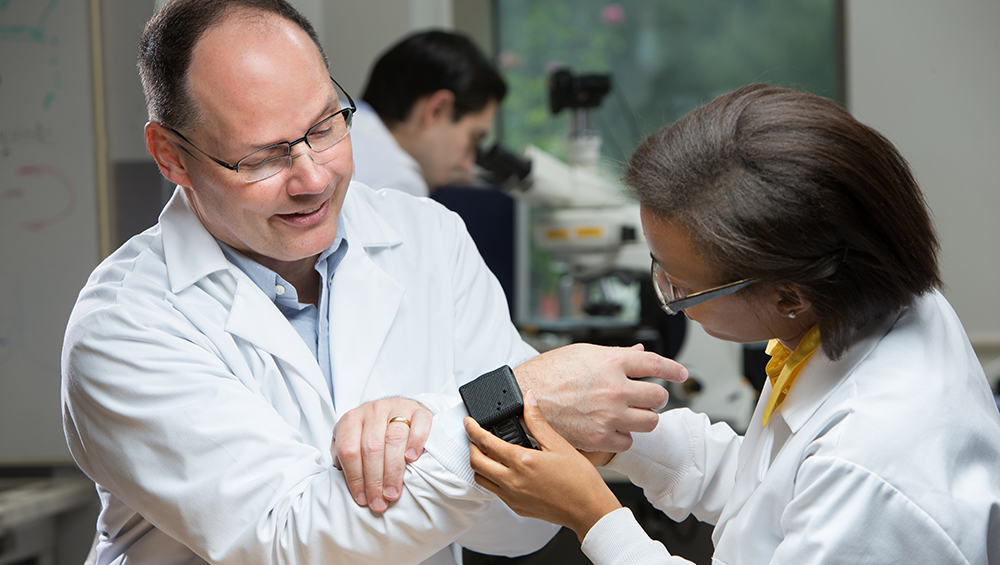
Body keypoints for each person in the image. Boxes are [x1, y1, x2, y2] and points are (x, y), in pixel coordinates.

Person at [59, 1, 686, 563]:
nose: (312, 179)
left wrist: (434, 423)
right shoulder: (125, 324)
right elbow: (286, 538)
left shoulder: (427, 239)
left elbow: (519, 528)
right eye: (262, 157)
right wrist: (498, 406)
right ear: (170, 156)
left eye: (325, 127)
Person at [466, 84, 1000, 564]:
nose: (668, 297)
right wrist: (622, 441)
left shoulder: (870, 465)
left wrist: (592, 516)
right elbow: (766, 492)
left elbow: (821, 482)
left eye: (677, 286)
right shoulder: (866, 304)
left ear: (789, 294)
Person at [350, 30, 505, 197]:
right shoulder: (396, 185)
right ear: (437, 110)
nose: (467, 166)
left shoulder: (336, 122)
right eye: (473, 139)